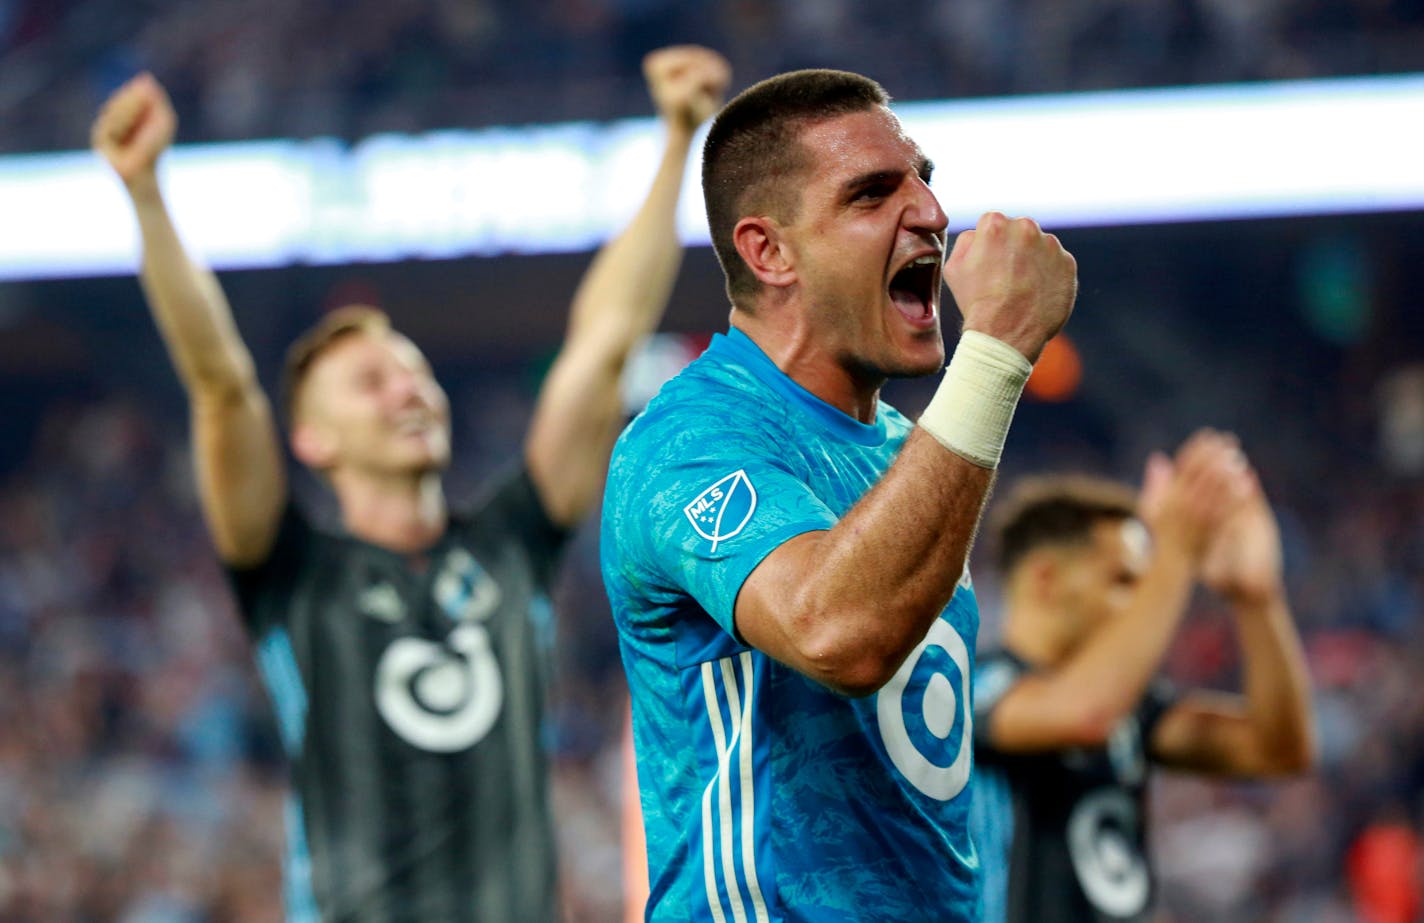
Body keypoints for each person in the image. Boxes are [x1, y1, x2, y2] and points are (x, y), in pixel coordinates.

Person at [90, 45, 731, 922]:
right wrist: (147, 195)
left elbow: (606, 339)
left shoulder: (515, 538)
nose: (408, 389)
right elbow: (220, 380)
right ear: (310, 439)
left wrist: (677, 140)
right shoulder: (293, 576)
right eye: (370, 381)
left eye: (414, 370)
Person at [600, 68, 1077, 921]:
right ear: (768, 251)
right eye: (871, 194)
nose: (930, 212)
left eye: (924, 179)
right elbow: (840, 633)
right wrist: (997, 349)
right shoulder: (687, 444)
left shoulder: (905, 452)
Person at [969, 436, 1316, 923]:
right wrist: (1174, 552)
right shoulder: (976, 686)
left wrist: (1256, 599)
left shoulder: (1129, 708)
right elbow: (1085, 714)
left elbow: (1277, 749)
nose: (1140, 603)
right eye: (1123, 581)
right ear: (1045, 579)